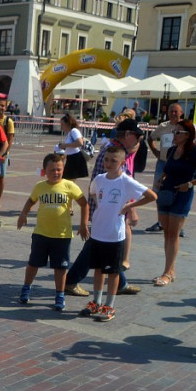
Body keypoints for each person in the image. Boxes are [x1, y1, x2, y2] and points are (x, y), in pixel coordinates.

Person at [64, 117, 145, 297]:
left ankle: (120, 282)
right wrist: (131, 208)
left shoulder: (117, 150)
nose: (139, 140)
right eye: (137, 136)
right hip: (106, 207)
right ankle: (72, 280)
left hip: (106, 206)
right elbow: (107, 183)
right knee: (96, 246)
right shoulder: (114, 153)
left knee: (104, 245)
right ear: (129, 135)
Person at [80, 145, 156, 322]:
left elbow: (152, 196)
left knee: (113, 272)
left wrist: (130, 206)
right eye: (106, 159)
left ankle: (110, 305)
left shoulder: (126, 181)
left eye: (113, 161)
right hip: (98, 232)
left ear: (122, 163)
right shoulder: (99, 179)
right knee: (98, 270)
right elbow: (92, 193)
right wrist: (100, 207)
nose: (108, 163)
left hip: (115, 235)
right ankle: (96, 302)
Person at [16, 153, 89, 311]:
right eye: (51, 170)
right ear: (44, 171)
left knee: (60, 267)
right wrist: (23, 215)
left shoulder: (70, 186)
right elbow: (31, 200)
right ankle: (26, 288)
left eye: (59, 169)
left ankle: (60, 294)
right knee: (33, 264)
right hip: (41, 233)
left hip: (61, 235)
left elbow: (84, 203)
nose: (55, 173)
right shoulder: (40, 186)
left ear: (63, 169)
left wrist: (83, 224)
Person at [152, 119, 196, 287]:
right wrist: (160, 180)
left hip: (182, 194)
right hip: (166, 193)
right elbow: (166, 170)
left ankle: (167, 273)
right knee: (166, 233)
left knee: (173, 234)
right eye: (174, 132)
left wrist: (190, 184)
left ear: (188, 136)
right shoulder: (172, 150)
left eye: (178, 132)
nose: (175, 134)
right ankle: (170, 271)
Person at [146, 102, 196, 233]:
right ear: (167, 113)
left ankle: (178, 224)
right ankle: (161, 222)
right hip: (164, 162)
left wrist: (194, 151)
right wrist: (156, 152)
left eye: (176, 111)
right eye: (171, 111)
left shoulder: (186, 126)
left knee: (180, 192)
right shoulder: (163, 126)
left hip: (182, 163)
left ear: (181, 113)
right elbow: (150, 138)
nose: (173, 113)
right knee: (159, 191)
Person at [55, 113, 88, 187]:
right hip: (71, 158)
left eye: (62, 124)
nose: (61, 127)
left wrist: (65, 145)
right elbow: (72, 147)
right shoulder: (69, 133)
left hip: (75, 158)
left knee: (68, 182)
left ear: (68, 124)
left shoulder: (74, 131)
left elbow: (80, 143)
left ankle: (69, 196)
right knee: (68, 181)